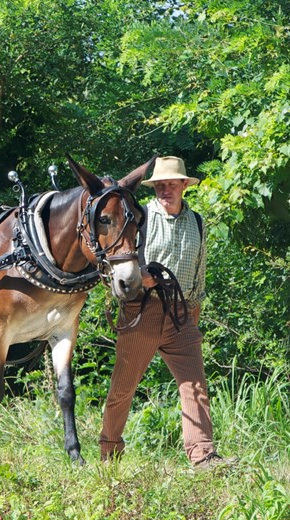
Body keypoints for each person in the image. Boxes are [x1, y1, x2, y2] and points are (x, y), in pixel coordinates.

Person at [99, 156, 231, 468]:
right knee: (123, 388)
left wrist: (193, 313)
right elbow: (114, 260)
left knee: (195, 386)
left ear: (185, 185)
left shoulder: (197, 221)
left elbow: (200, 271)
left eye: (171, 184)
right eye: (160, 185)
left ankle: (203, 456)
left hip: (181, 314)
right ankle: (109, 453)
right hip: (142, 311)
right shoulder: (140, 217)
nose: (165, 189)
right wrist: (140, 278)